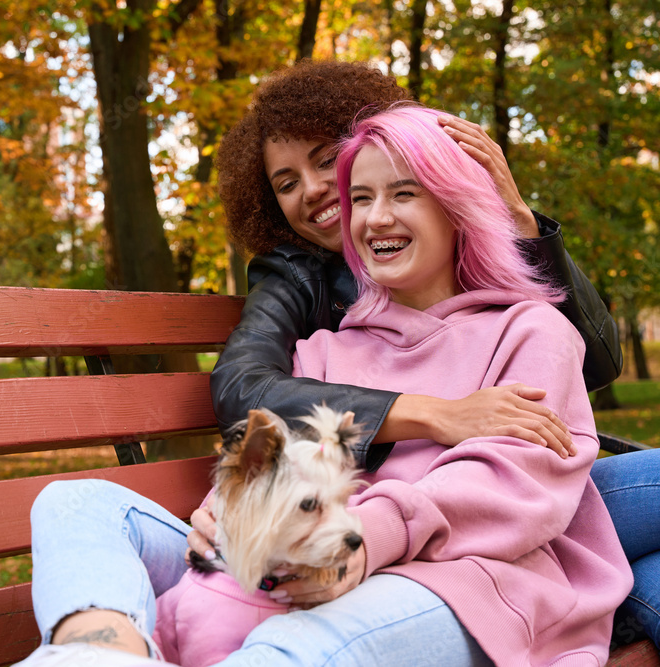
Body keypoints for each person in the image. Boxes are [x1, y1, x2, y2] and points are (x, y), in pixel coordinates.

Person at [203, 59, 660, 650]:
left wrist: (516, 222)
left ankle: (596, 605)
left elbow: (589, 362)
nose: (314, 189)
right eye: (286, 183)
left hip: (507, 495)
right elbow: (244, 389)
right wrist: (435, 413)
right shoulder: (300, 286)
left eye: (325, 161)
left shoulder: (498, 305)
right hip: (425, 510)